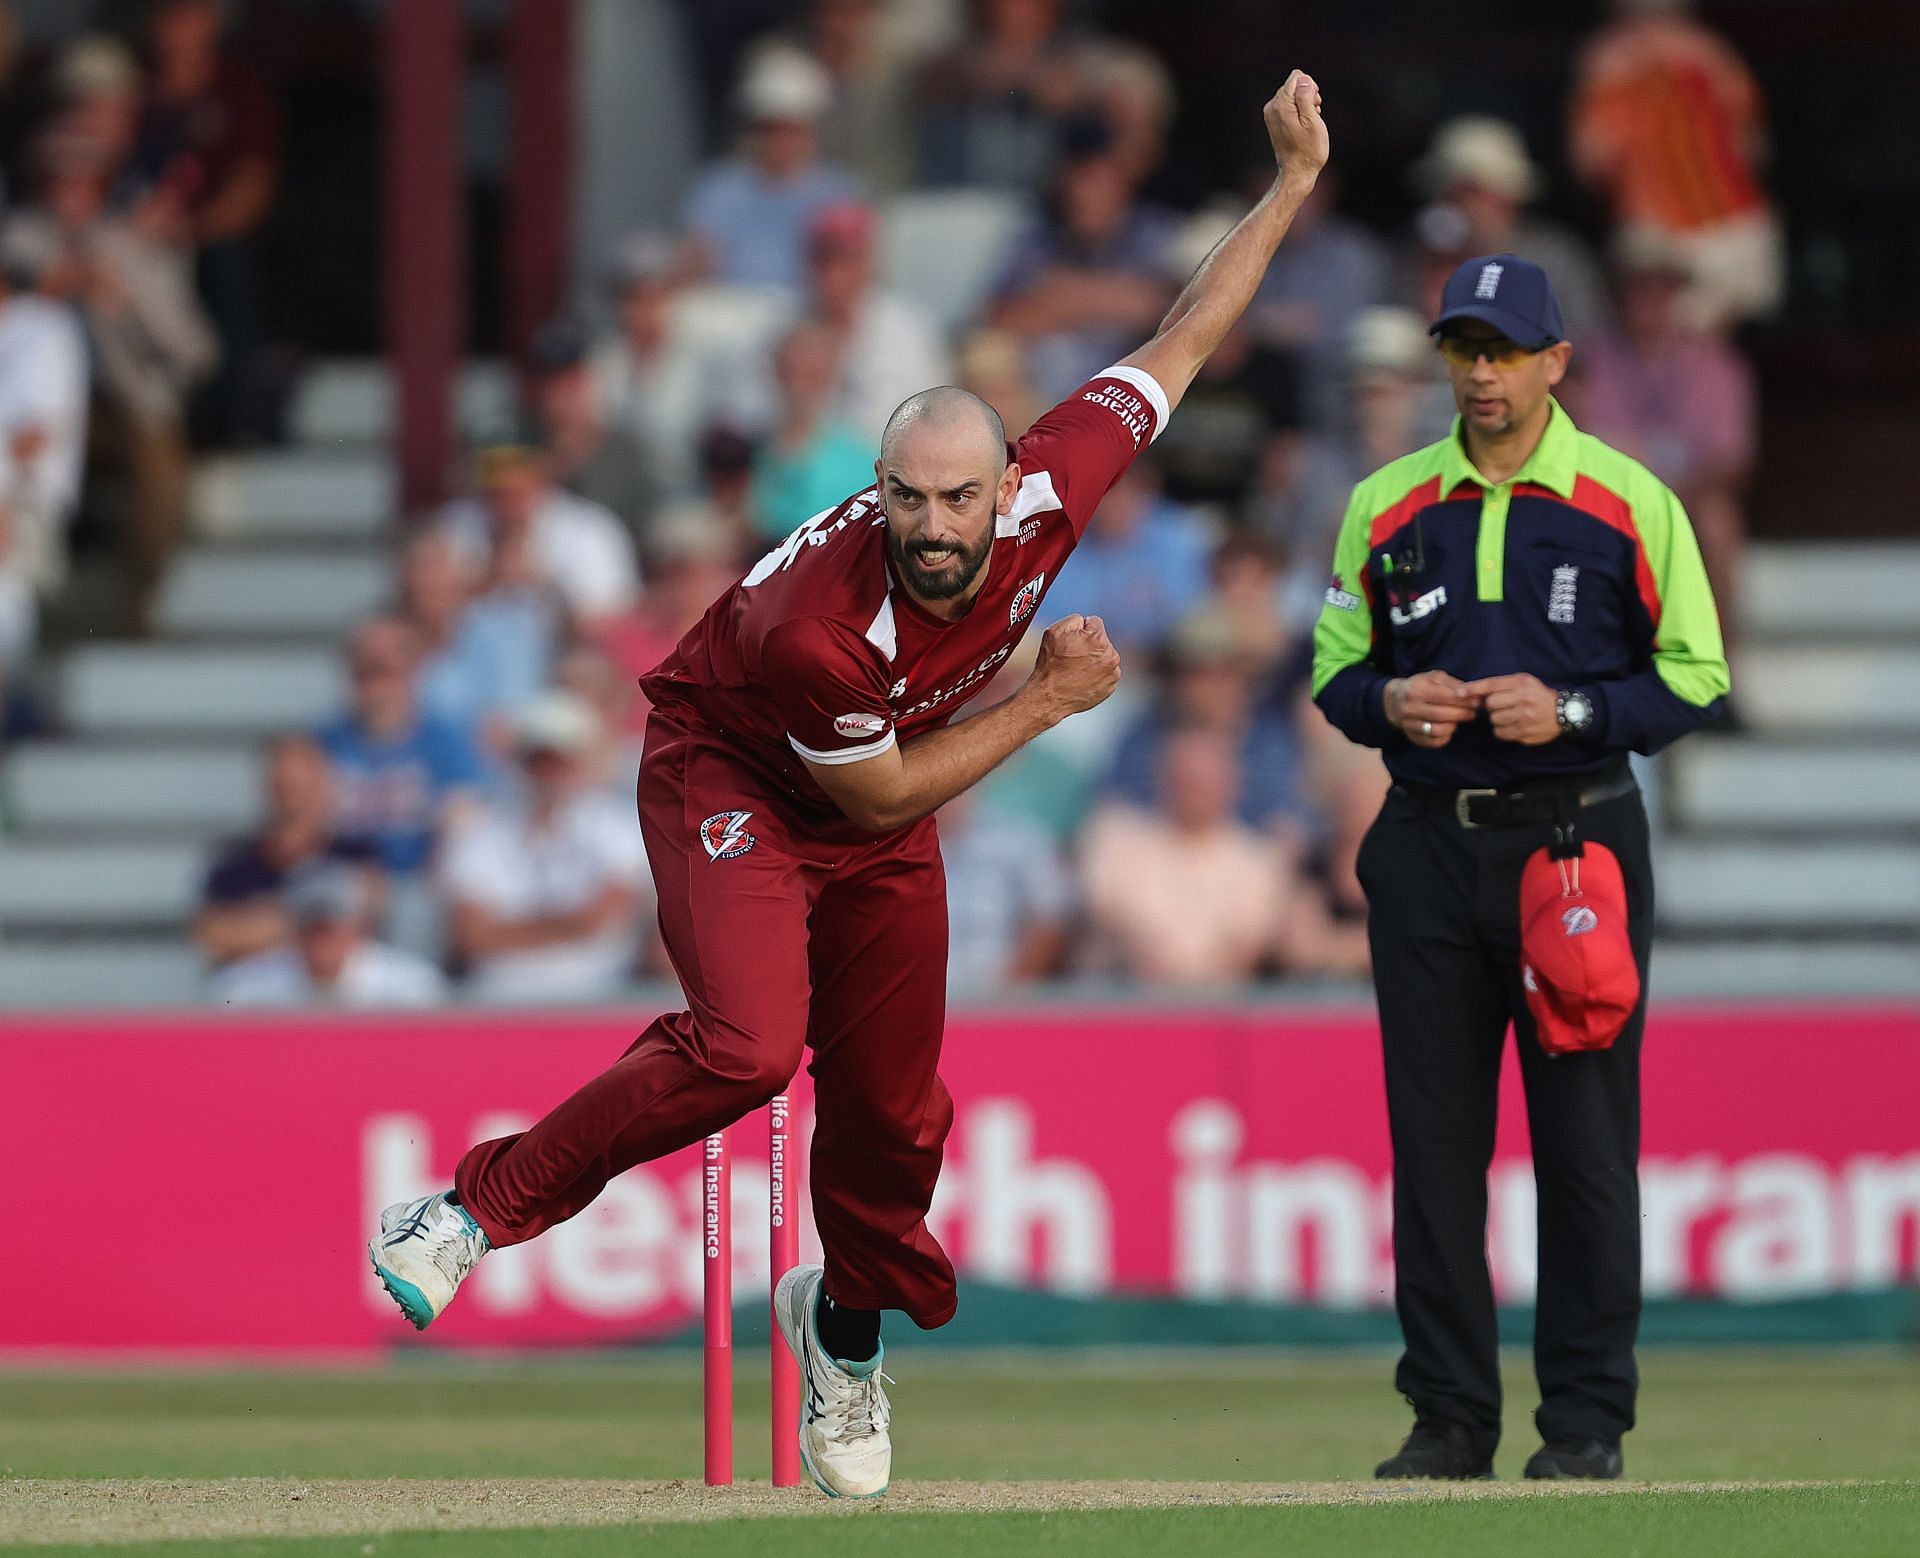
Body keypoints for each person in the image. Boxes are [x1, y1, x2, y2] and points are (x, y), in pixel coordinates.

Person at [369, 70, 1330, 1502]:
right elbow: (880, 802)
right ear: (873, 490)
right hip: (737, 769)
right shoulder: (813, 622)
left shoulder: (1055, 486)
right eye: (904, 500)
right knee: (752, 1046)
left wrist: (1290, 187)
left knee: (900, 1111)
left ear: (1009, 485)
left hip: (880, 784)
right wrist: (1047, 695)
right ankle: (464, 1210)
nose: (932, 530)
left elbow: (1183, 335)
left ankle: (847, 1340)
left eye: (956, 500)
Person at [1311, 253, 1728, 1482]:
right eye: (1462, 348)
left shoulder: (1629, 498)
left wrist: (1579, 715)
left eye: (1504, 350)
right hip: (1430, 847)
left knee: (1586, 1148)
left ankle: (1587, 1424)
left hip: (1574, 843)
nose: (1480, 373)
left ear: (1557, 360)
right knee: (1435, 1148)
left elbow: (1695, 674)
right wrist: (1398, 698)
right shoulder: (1385, 502)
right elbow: (1338, 668)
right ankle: (1448, 1419)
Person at [7, 123, 217, 633]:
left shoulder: (131, 245)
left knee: (162, 476)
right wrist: (51, 285)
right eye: (57, 182)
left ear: (102, 188)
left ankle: (140, 608)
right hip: (29, 414)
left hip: (121, 405)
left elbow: (197, 353)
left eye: (83, 182)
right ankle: (29, 603)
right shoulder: (18, 239)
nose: (69, 194)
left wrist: (125, 305)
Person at [1566, 227, 1757, 671]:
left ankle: (1718, 672)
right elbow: (1574, 443)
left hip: (1687, 500)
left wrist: (1666, 495)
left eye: (1661, 287)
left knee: (1718, 523)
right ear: (1617, 292)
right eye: (1637, 286)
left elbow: (1731, 461)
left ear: (1678, 293)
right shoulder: (1585, 360)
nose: (1648, 299)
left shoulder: (1717, 363)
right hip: (1607, 502)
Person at [1081, 722, 1364, 983]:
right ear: (1162, 779)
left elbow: (1248, 945)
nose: (1195, 791)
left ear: (1233, 784)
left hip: (1225, 1009)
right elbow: (1112, 920)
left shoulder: (1260, 860)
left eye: (1205, 783)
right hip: (1130, 1000)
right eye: (1187, 780)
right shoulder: (1119, 843)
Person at [1569, 0, 1781, 330]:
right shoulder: (1711, 53)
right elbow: (1753, 147)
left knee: (1686, 346)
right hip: (1694, 229)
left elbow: (1590, 157)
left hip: (1705, 231)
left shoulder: (1615, 59)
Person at [441, 693, 652, 1003]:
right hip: (497, 996)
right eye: (539, 761)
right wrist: (569, 925)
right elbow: (472, 936)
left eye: (560, 762)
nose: (549, 774)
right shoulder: (480, 831)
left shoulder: (619, 828)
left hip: (600, 993)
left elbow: (598, 921)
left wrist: (509, 930)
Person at [316, 617, 486, 953]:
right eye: (364, 669)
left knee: (415, 910)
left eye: (387, 669)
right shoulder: (323, 741)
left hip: (417, 881)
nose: (376, 682)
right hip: (340, 875)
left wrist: (405, 879)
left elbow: (463, 824)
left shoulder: (445, 740)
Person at [989, 110, 1182, 399]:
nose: (1081, 194)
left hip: (1123, 403)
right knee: (987, 360)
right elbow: (998, 320)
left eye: (1095, 179)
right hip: (1041, 400)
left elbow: (1177, 313)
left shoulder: (1154, 234)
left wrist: (1060, 295)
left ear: (1121, 180)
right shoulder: (1037, 237)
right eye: (1074, 179)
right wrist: (1119, 298)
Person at [679, 46, 862, 293]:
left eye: (792, 130)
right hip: (730, 314)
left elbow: (849, 280)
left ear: (814, 131)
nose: (781, 142)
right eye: (770, 129)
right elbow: (695, 266)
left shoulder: (840, 194)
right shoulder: (718, 188)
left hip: (810, 314)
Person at [1410, 118, 1609, 343]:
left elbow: (1588, 343)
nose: (1462, 205)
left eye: (1474, 192)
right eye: (1451, 193)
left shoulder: (1557, 258)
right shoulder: (1420, 259)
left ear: (1509, 197)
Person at [195, 734, 379, 970]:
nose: (292, 797)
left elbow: (367, 918)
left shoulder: (355, 853)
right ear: (267, 786)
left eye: (300, 786)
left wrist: (258, 923)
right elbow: (214, 936)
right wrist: (314, 916)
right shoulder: (233, 863)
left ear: (324, 784)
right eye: (284, 785)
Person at [436, 445, 638, 631]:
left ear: (543, 481)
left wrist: (541, 585)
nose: (506, 505)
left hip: (563, 654)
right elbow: (430, 609)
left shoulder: (591, 531)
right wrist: (489, 581)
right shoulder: (458, 522)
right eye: (495, 493)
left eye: (516, 492)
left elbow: (611, 624)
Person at [800, 201, 950, 446]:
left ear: (869, 262)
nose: (833, 274)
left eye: (846, 260)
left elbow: (935, 419)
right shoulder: (787, 331)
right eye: (825, 260)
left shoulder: (911, 332)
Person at [211, 861, 444, 1009]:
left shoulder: (409, 987)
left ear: (359, 928)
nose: (321, 940)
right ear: (294, 931)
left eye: (331, 928)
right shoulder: (249, 987)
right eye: (310, 929)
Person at [747, 320, 874, 540]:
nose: (799, 385)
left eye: (812, 374)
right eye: (792, 372)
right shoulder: (752, 449)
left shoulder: (861, 460)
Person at [938, 789, 1071, 991]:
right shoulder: (894, 846)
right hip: (921, 1001)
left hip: (1001, 1000)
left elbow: (1052, 917)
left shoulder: (1018, 837)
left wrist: (1013, 990)